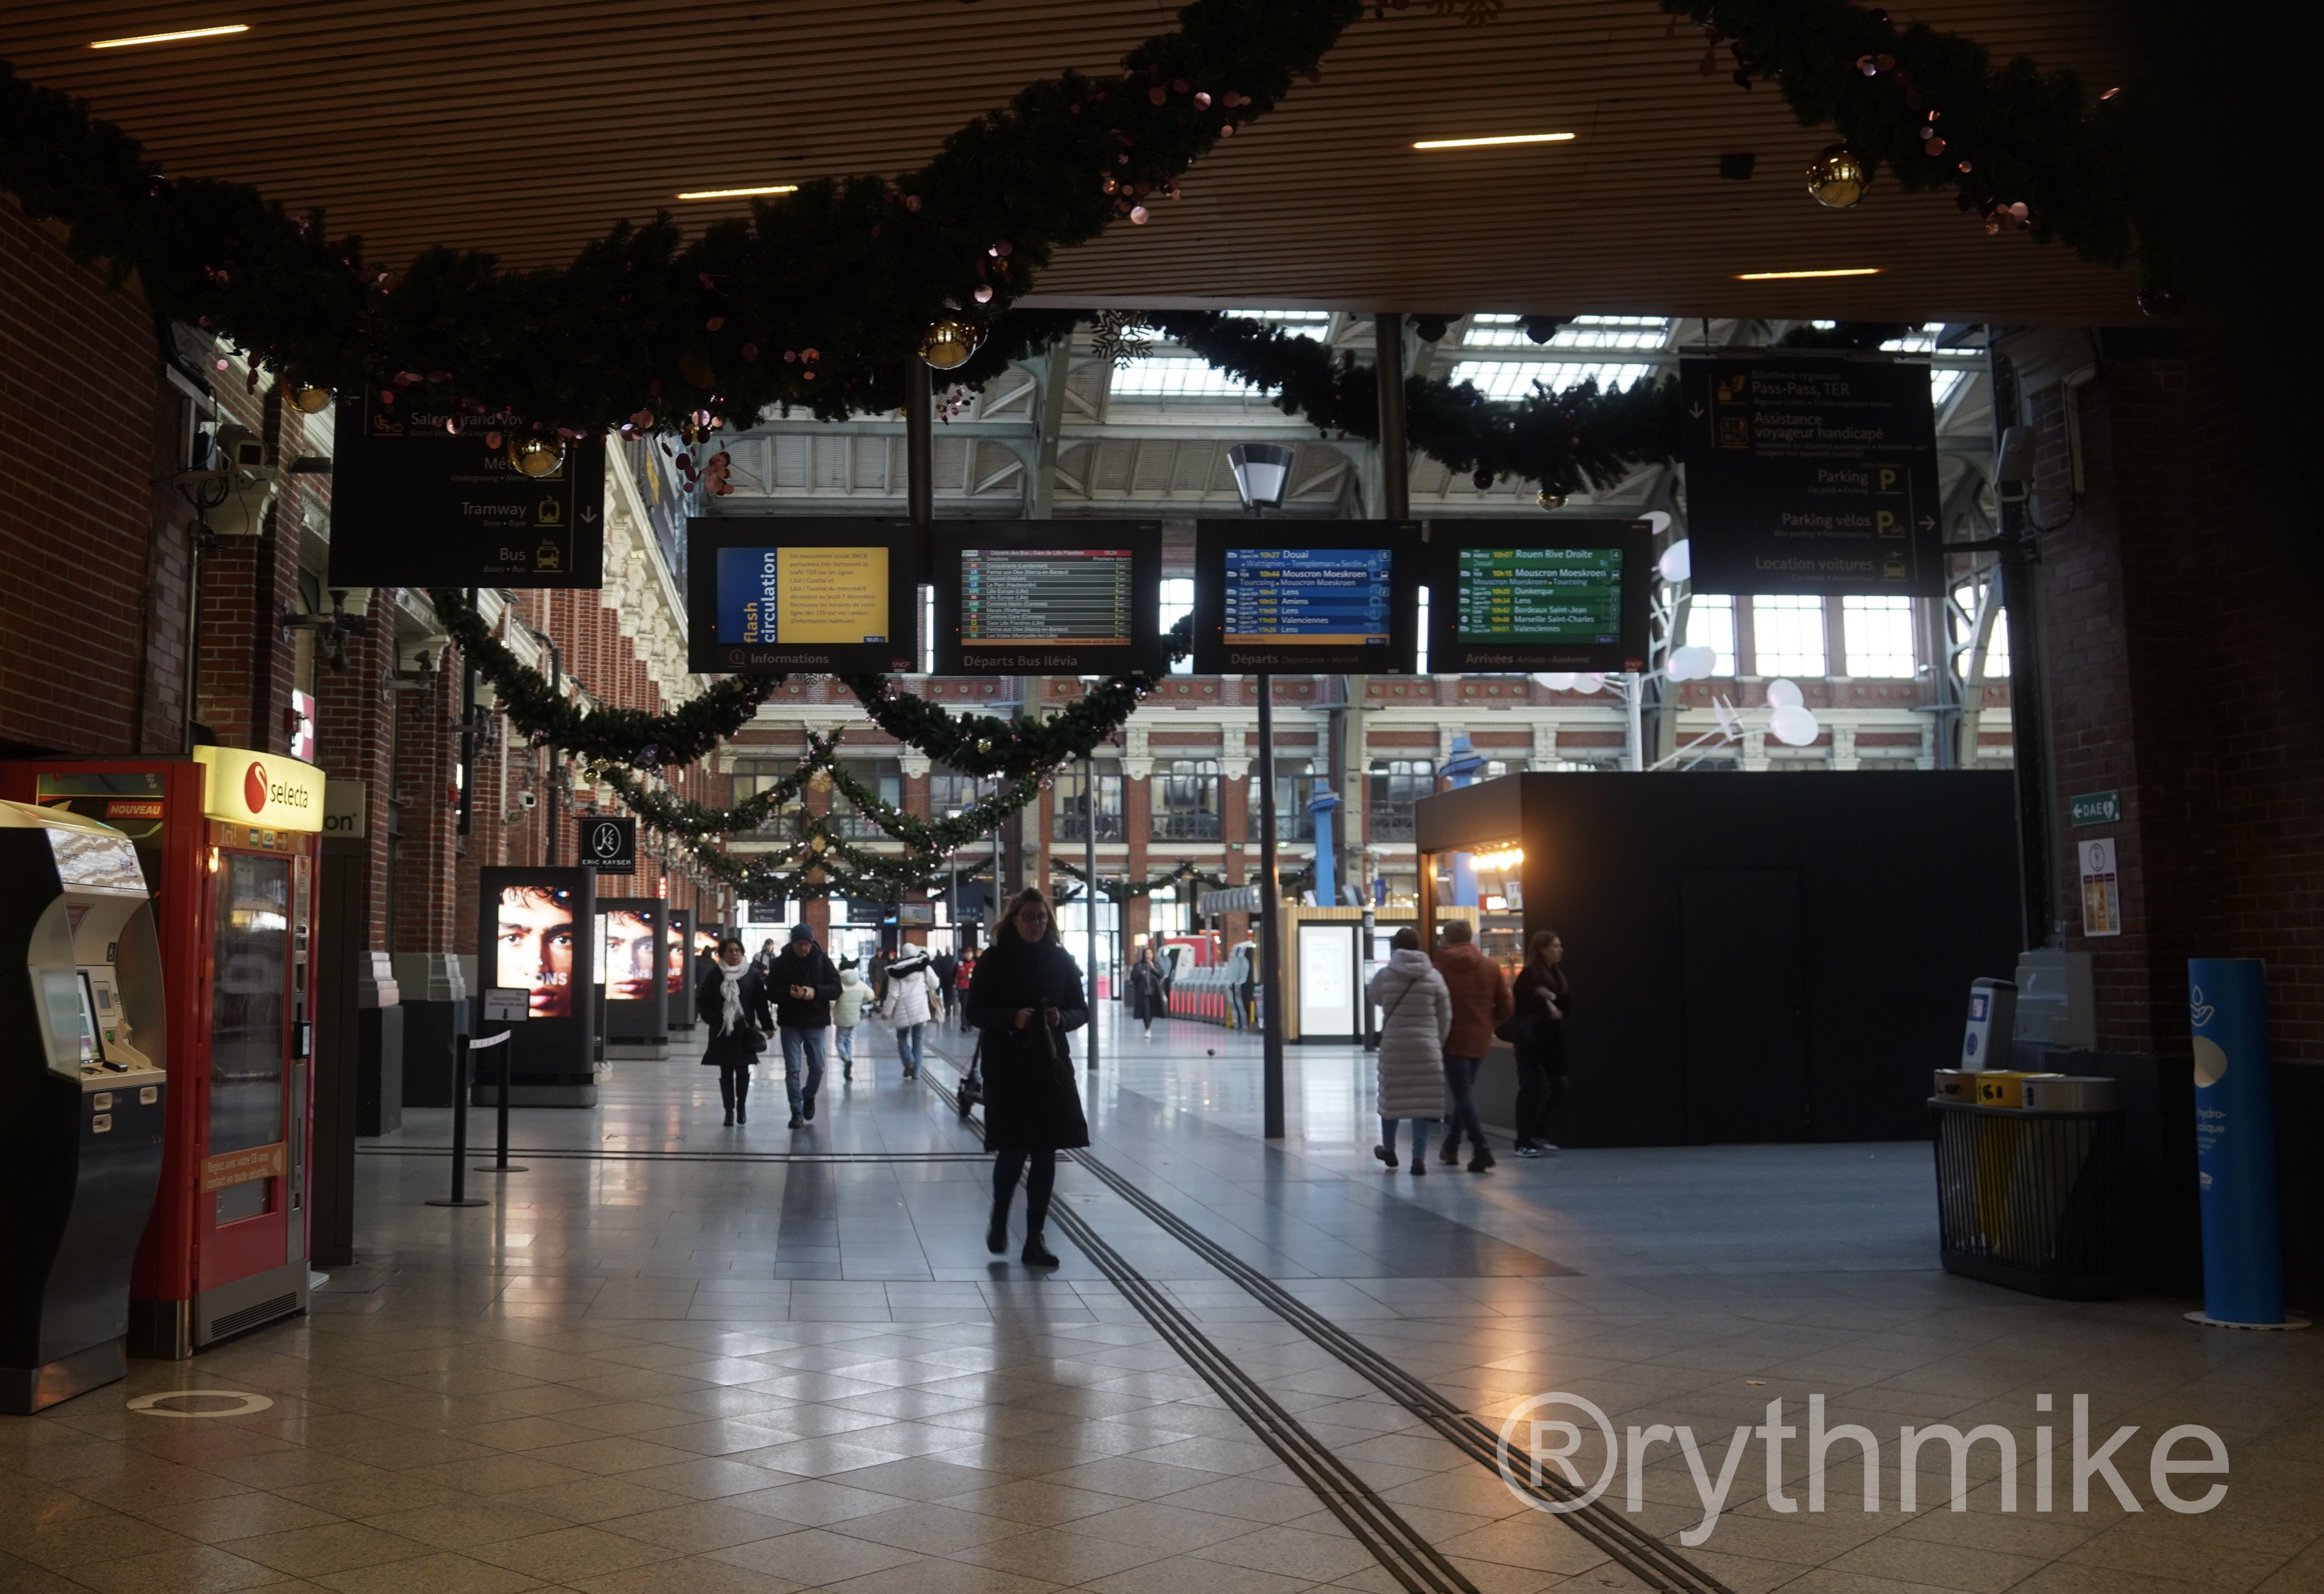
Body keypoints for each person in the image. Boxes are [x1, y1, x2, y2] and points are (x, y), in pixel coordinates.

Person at [967, 889, 1089, 1266]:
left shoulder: (1060, 959)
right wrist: (1011, 1018)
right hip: (1007, 1067)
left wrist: (1059, 1019)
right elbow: (975, 1011)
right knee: (1014, 1148)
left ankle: (1035, 1237)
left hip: (1049, 1067)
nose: (1037, 923)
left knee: (1045, 1151)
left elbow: (1080, 1009)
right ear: (1014, 919)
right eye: (1030, 916)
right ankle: (1001, 1214)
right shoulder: (995, 959)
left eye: (1042, 917)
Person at [1369, 927, 1451, 1176]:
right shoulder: (1434, 977)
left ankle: (1390, 1151)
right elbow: (1446, 1016)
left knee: (1391, 1100)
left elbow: (1375, 998)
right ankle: (1419, 1159)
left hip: (1394, 1045)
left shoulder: (1385, 975)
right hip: (1427, 1047)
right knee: (1422, 1104)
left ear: (1395, 947)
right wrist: (1437, 1041)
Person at [1433, 918, 1510, 1173]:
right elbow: (1507, 1006)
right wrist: (1489, 1024)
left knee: (1462, 1093)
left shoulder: (1439, 967)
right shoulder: (1490, 966)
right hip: (1479, 1038)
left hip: (1451, 1037)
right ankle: (1452, 1146)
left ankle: (1481, 1147)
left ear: (1447, 938)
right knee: (1464, 1093)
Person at [767, 923, 842, 1128]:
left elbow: (837, 988)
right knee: (793, 1069)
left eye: (807, 944)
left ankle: (809, 1095)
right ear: (793, 944)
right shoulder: (781, 963)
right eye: (800, 944)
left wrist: (814, 992)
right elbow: (771, 992)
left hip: (815, 1021)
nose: (804, 948)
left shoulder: (822, 960)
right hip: (791, 1022)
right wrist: (788, 994)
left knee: (818, 1067)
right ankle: (797, 1111)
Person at [696, 937, 772, 1126]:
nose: (735, 954)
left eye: (738, 950)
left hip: (744, 1032)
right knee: (727, 1072)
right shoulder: (715, 975)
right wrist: (714, 1019)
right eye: (730, 951)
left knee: (744, 1070)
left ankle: (742, 1107)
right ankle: (729, 1110)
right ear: (722, 954)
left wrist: (768, 1025)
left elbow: (760, 1003)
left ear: (743, 952)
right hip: (723, 1032)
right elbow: (703, 1001)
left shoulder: (751, 974)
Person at [1509, 930, 1569, 1156]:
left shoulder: (1556, 975)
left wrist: (1550, 998)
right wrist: (1546, 1002)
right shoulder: (1530, 975)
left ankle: (1538, 1133)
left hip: (1550, 1040)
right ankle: (1524, 1141)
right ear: (1543, 949)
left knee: (1560, 1084)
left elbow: (1566, 1004)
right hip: (1532, 1040)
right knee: (1531, 1088)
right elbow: (1522, 1005)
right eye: (1555, 946)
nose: (1560, 950)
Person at [882, 949, 941, 1079]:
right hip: (920, 1010)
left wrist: (886, 1012)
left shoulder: (896, 971)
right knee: (918, 1041)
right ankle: (917, 1073)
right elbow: (935, 984)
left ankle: (909, 1062)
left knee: (902, 1038)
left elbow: (893, 995)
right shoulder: (924, 968)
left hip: (902, 1012)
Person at [832, 957, 868, 1082]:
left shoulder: (838, 983)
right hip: (854, 1018)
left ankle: (846, 1058)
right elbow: (871, 995)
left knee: (840, 1041)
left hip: (841, 1018)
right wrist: (859, 1002)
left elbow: (832, 1001)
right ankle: (849, 1064)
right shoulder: (860, 983)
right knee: (849, 1041)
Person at [1126, 945, 1168, 1038]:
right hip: (1144, 991)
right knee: (1146, 1010)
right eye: (1147, 954)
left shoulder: (1156, 965)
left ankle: (1148, 1026)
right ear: (1144, 955)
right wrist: (1140, 974)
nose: (1149, 955)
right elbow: (1133, 976)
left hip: (1154, 991)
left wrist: (1153, 968)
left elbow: (1161, 975)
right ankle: (1148, 1029)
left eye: (1150, 953)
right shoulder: (1139, 965)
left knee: (1151, 1010)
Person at [932, 949, 958, 1024]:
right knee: (950, 995)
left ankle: (946, 1007)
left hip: (943, 980)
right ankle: (948, 1008)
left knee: (944, 994)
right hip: (950, 980)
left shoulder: (942, 959)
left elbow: (940, 969)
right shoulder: (953, 958)